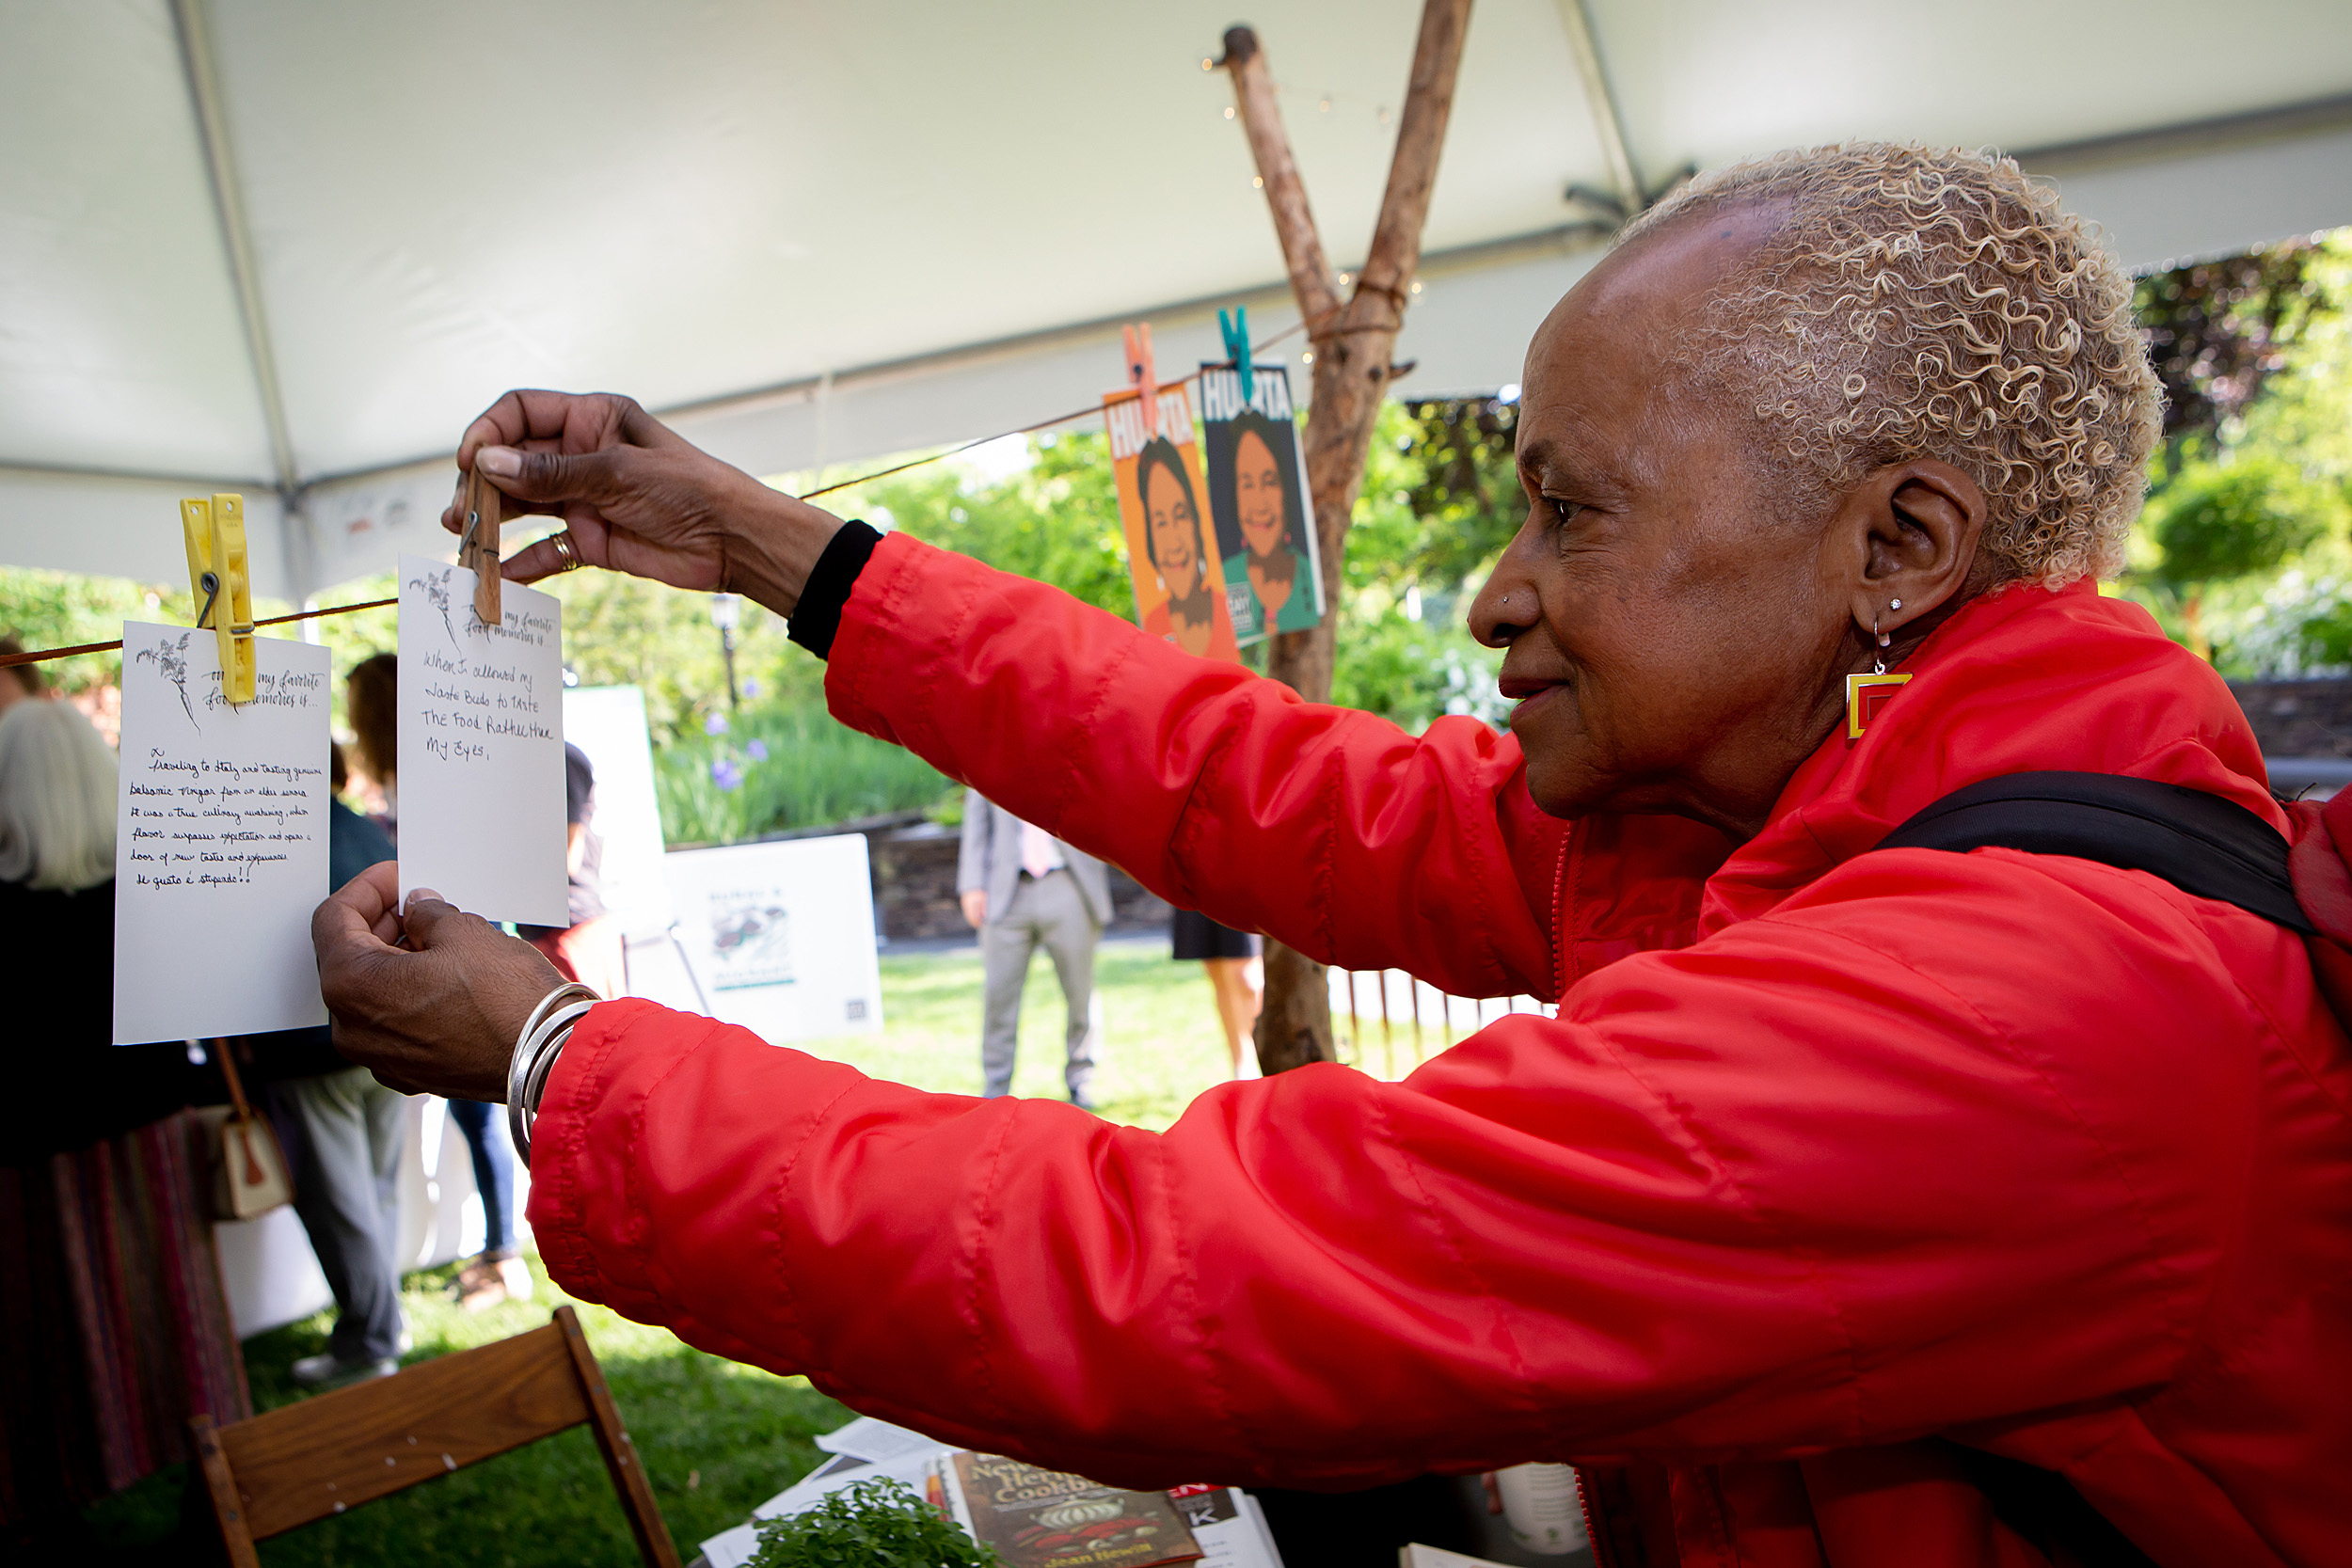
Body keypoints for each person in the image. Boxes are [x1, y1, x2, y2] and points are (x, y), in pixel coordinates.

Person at [315, 144, 2349, 1565]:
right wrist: (783, 553)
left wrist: (557, 1058)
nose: (1489, 588)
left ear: (1892, 547)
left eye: (1570, 511)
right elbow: (1260, 783)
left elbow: (1172, 1268)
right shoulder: (1770, 804)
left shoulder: (2032, 1015)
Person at [0, 696, 246, 1548]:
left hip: (32, 1159)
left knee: (45, 1340)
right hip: (148, 1137)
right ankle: (209, 1495)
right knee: (178, 1324)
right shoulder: (141, 894)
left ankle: (58, 1492)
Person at [339, 653, 527, 1312]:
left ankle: (505, 1253)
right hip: (449, 943)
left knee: (481, 1113)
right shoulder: (415, 771)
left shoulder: (420, 775)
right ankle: (501, 1249)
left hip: (457, 947)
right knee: (476, 1111)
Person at [246, 743, 418, 1382]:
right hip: (384, 1042)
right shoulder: (367, 831)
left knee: (345, 1204)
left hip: (312, 1048)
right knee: (374, 1194)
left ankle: (370, 1343)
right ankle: (383, 1323)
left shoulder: (267, 840)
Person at [957, 789, 1110, 1107]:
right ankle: (996, 1087)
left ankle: (1081, 1081)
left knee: (1080, 992)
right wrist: (972, 884)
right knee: (999, 995)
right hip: (1005, 892)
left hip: (1068, 881)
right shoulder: (989, 747)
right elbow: (976, 816)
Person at [517, 741, 625, 1000]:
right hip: (546, 930)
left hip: (574, 927)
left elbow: (567, 857)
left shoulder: (563, 759)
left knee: (591, 1031)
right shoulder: (528, 756)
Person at [1217, 411, 1318, 637]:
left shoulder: (1309, 576)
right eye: (1247, 484)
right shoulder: (1223, 579)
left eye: (1270, 481)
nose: (1260, 504)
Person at [1135, 437, 1234, 659]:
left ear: (1197, 522)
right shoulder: (1153, 626)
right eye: (1160, 522)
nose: (1174, 543)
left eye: (1181, 516)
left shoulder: (1228, 609)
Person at [1170, 909, 1262, 1080]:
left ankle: (1261, 1057)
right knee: (1217, 971)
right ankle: (1242, 1067)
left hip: (1242, 888)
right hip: (1203, 886)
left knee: (1247, 979)